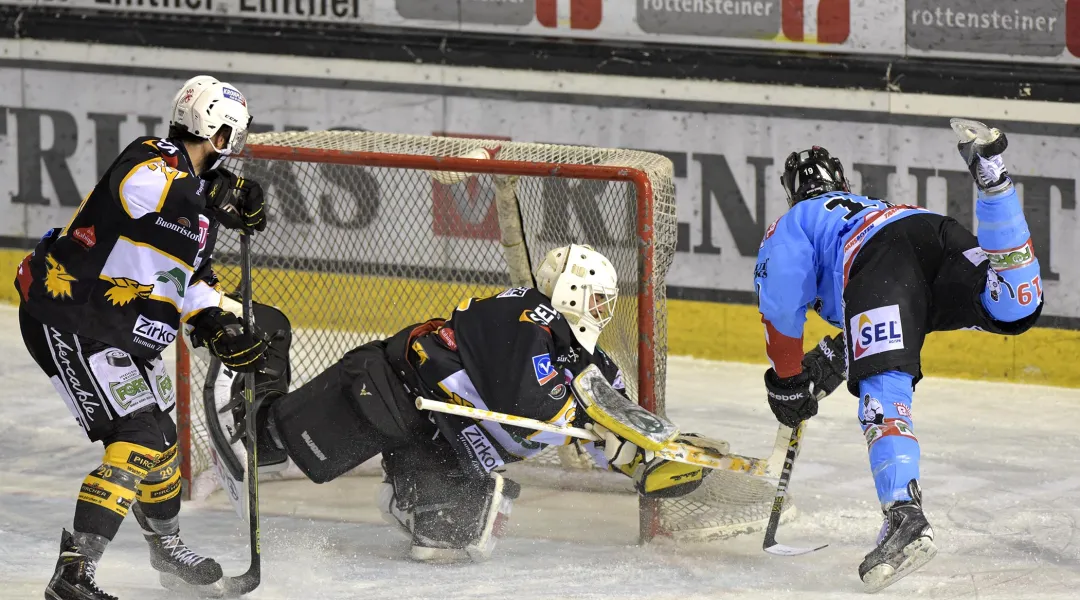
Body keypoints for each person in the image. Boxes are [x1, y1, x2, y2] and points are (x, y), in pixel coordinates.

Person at [211, 244, 710, 563]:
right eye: (597, 298)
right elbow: (531, 407)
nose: (604, 310)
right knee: (269, 442)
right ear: (571, 293)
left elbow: (606, 415)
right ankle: (253, 342)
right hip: (391, 393)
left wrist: (642, 455)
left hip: (444, 441)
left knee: (452, 542)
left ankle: (408, 493)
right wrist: (602, 433)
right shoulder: (527, 316)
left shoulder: (588, 358)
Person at [754, 122, 1042, 592]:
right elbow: (890, 309)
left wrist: (787, 380)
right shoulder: (865, 207)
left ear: (792, 195)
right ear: (842, 184)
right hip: (932, 233)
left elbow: (782, 308)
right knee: (1014, 304)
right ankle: (994, 181)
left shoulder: (792, 224)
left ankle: (905, 517)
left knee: (884, 383)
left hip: (881, 261)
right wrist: (827, 362)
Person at [15, 75, 270, 600]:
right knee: (136, 439)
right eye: (231, 135)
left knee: (160, 441)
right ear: (220, 133)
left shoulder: (200, 210)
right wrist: (213, 190)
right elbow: (135, 189)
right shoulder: (155, 156)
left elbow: (187, 278)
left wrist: (214, 323)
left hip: (120, 332)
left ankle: (166, 549)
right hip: (73, 317)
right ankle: (73, 576)